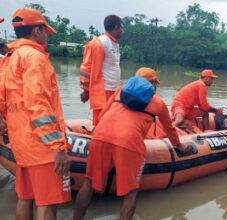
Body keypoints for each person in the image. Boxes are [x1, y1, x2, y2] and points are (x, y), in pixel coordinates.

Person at [73, 67, 191, 220]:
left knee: (88, 183)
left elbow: (102, 115)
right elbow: (170, 130)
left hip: (101, 136)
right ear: (153, 83)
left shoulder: (120, 91)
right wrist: (179, 146)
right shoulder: (158, 103)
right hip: (128, 143)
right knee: (131, 192)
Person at [0, 7, 70, 220]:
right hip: (42, 147)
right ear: (37, 31)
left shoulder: (9, 58)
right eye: (45, 32)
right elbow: (38, 105)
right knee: (48, 204)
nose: (46, 37)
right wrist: (57, 146)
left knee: (25, 198)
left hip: (21, 145)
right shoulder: (35, 58)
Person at [79, 15, 123, 125]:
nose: (123, 31)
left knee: (111, 122)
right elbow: (87, 67)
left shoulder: (114, 44)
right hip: (103, 90)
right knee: (101, 122)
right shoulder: (100, 43)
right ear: (116, 27)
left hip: (114, 90)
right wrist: (86, 90)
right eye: (122, 28)